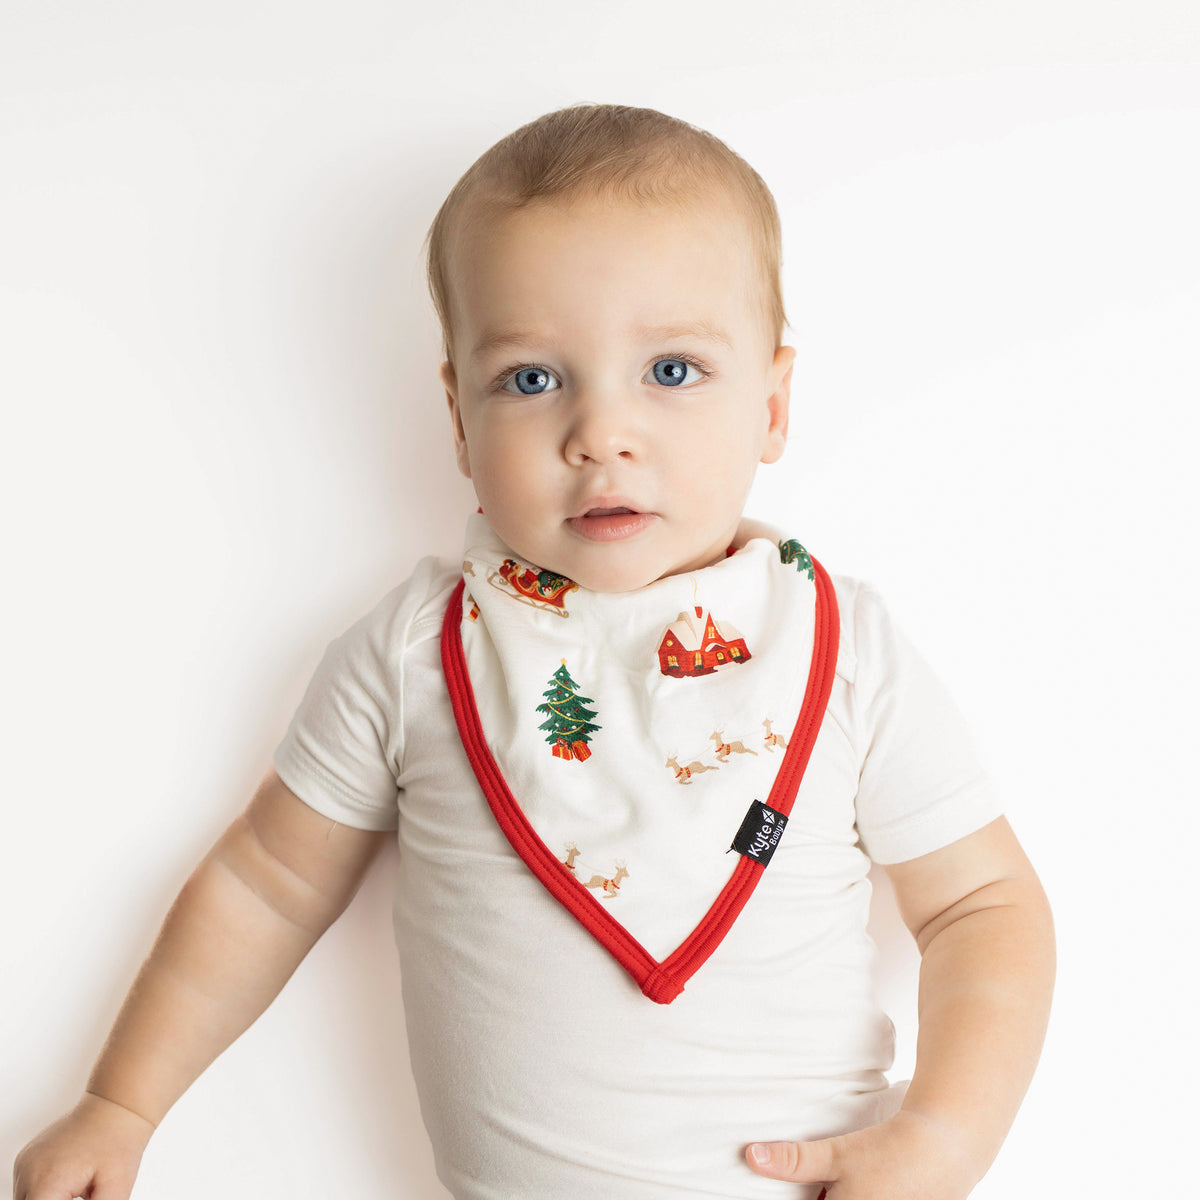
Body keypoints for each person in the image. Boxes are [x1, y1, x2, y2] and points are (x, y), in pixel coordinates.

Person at [13, 102, 1055, 1200]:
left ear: (773, 406)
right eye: (531, 379)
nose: (601, 433)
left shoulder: (839, 650)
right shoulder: (417, 653)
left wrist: (947, 1138)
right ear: (460, 421)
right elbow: (265, 887)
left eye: (671, 371)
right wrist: (121, 1104)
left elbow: (983, 905)